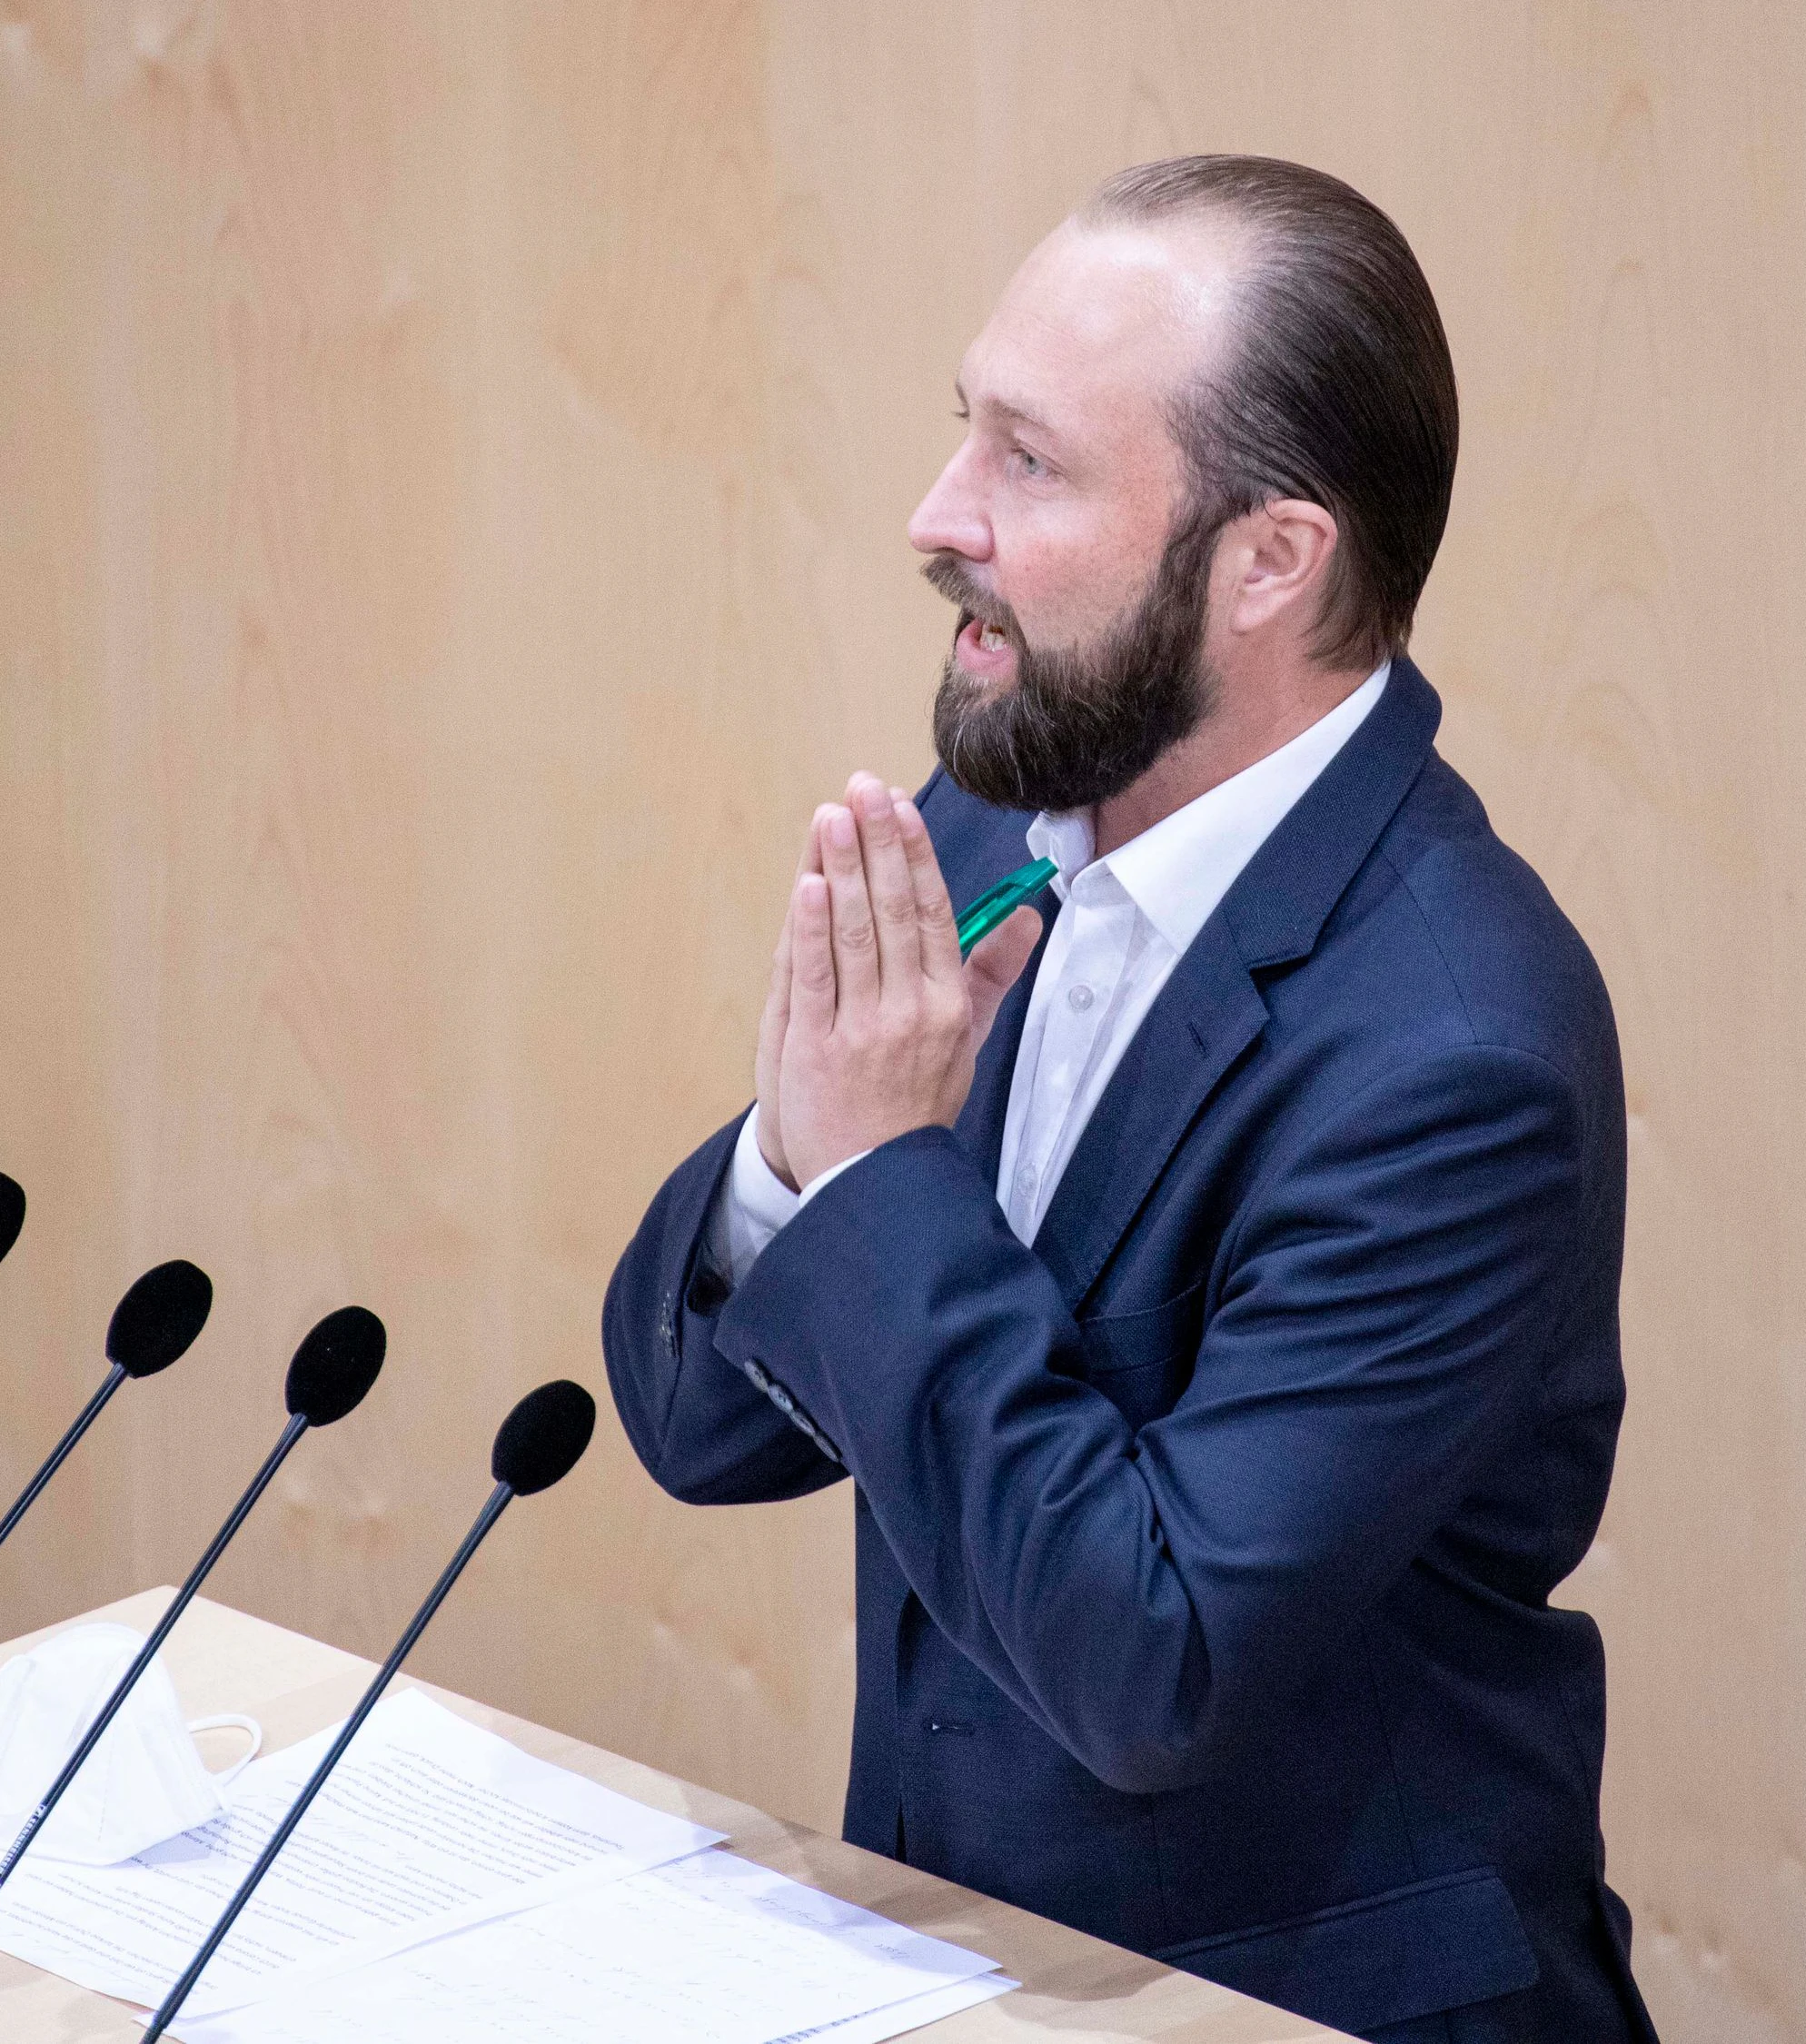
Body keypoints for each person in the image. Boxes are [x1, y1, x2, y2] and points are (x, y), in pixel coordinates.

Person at [600, 156, 1659, 2043]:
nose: (938, 519)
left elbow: (1151, 1661)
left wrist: (870, 1176)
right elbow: (703, 1422)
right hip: (962, 1962)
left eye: (1031, 462)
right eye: (964, 433)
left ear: (1272, 561)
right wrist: (797, 1160)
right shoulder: (1006, 810)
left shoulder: (1455, 1054)